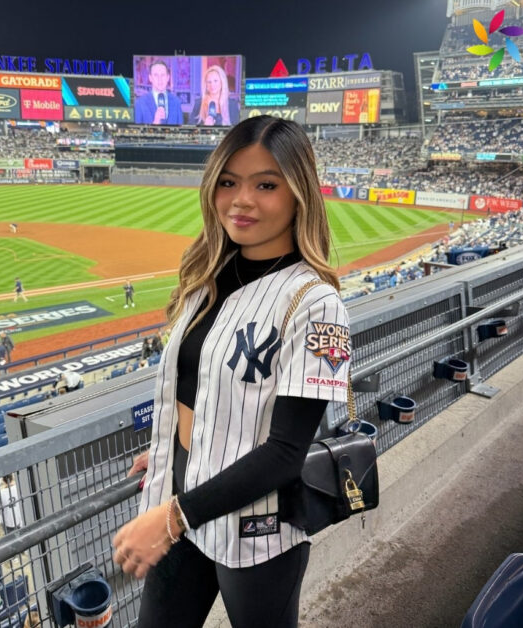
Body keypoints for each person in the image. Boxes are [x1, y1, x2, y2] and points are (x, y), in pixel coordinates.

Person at [112, 115, 350, 627]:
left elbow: (286, 453)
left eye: (265, 184)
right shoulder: (207, 276)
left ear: (299, 194)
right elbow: (201, 390)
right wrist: (174, 449)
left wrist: (172, 519)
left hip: (254, 528)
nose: (241, 200)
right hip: (181, 496)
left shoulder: (315, 303)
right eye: (228, 182)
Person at [135, 60, 183, 125]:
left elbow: (181, 129)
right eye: (156, 75)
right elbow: (136, 130)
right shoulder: (140, 103)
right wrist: (155, 123)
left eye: (162, 75)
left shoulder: (176, 102)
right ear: (150, 78)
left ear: (168, 77)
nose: (159, 79)